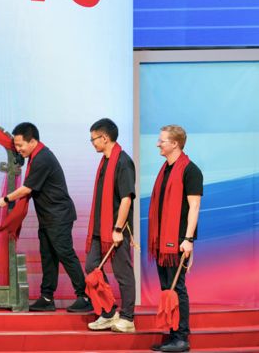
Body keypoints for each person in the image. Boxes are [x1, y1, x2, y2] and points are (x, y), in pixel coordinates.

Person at [0, 122, 92, 312]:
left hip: (59, 216)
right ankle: (47, 298)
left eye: (20, 145)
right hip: (48, 217)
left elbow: (27, 188)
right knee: (48, 257)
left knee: (65, 254)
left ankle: (85, 296)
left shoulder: (42, 158)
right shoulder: (35, 156)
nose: (18, 149)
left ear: (33, 142)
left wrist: (5, 199)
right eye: (16, 145)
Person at [149, 125, 202, 353]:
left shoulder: (190, 170)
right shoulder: (166, 170)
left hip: (179, 240)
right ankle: (172, 335)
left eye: (161, 141)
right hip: (163, 240)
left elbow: (194, 207)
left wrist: (188, 239)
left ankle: (181, 337)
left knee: (177, 288)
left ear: (175, 144)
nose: (158, 144)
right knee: (166, 289)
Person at [84, 118, 136, 333]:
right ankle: (108, 312)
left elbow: (126, 199)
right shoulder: (105, 161)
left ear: (104, 138)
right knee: (91, 267)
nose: (92, 143)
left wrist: (118, 229)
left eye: (93, 139)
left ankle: (128, 318)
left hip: (116, 230)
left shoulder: (123, 161)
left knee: (123, 273)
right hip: (100, 229)